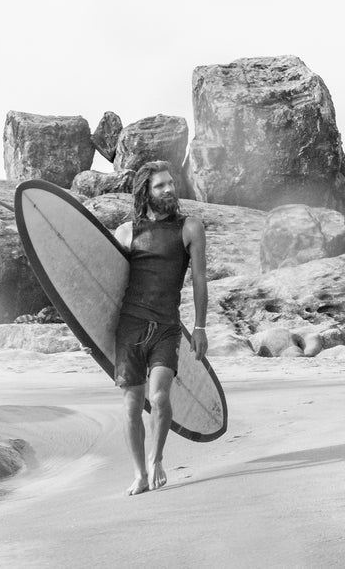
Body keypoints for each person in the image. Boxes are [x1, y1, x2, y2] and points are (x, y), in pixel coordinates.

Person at [111, 160, 208, 495]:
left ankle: (157, 458)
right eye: (160, 186)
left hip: (166, 325)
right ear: (146, 193)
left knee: (159, 396)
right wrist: (88, 332)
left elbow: (198, 280)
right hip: (130, 327)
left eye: (170, 184)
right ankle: (139, 474)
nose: (169, 190)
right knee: (131, 404)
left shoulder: (190, 227)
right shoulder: (126, 233)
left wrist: (199, 326)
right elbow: (103, 287)